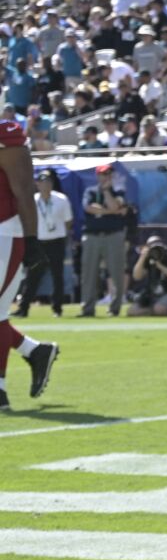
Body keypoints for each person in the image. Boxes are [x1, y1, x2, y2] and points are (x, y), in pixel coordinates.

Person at [0, 119, 60, 411]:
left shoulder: (5, 134)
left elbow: (24, 189)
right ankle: (35, 351)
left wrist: (32, 238)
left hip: (4, 232)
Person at [18, 167, 71, 318]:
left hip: (57, 241)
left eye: (48, 181)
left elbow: (68, 221)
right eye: (42, 182)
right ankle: (24, 308)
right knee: (32, 276)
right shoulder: (33, 201)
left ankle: (57, 308)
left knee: (57, 275)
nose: (45, 184)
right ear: (37, 184)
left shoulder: (61, 199)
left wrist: (59, 233)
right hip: (39, 241)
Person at [78, 162, 129, 317]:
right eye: (103, 174)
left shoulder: (118, 190)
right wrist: (111, 211)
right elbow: (88, 207)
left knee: (117, 273)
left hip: (113, 236)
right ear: (97, 176)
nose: (106, 177)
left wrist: (107, 193)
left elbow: (115, 206)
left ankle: (115, 308)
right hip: (92, 236)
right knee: (88, 274)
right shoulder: (90, 191)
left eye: (108, 174)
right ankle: (88, 309)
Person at [126, 235, 167, 316]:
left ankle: (157, 311)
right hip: (153, 296)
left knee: (158, 309)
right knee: (131, 311)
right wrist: (142, 257)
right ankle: (160, 312)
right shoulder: (147, 260)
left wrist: (160, 265)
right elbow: (137, 276)